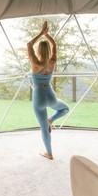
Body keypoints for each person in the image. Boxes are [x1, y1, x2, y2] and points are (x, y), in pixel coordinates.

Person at [27, 21, 69, 160]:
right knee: (65, 109)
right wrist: (47, 34)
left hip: (38, 97)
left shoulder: (35, 63)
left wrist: (41, 33)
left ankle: (49, 153)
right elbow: (55, 45)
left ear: (38, 51)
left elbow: (29, 45)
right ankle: (51, 119)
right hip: (50, 95)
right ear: (49, 51)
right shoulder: (52, 61)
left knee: (44, 128)